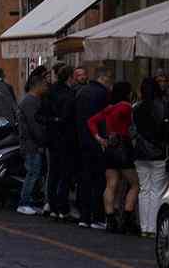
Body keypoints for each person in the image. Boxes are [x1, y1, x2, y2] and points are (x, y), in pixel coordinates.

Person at [88, 80, 139, 234]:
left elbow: (91, 121)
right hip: (123, 146)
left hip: (110, 145)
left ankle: (110, 219)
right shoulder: (126, 107)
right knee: (135, 184)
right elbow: (131, 125)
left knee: (111, 184)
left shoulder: (109, 108)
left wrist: (99, 138)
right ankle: (128, 218)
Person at [131, 77, 169, 238]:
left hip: (140, 153)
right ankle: (153, 227)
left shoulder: (135, 107)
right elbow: (167, 131)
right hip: (159, 153)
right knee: (158, 190)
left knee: (144, 190)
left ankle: (144, 227)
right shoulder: (165, 106)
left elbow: (133, 131)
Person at [73, 68, 110, 230]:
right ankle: (97, 217)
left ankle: (84, 216)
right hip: (98, 141)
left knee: (85, 180)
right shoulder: (102, 94)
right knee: (99, 180)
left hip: (82, 141)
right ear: (104, 79)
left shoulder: (81, 92)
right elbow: (105, 120)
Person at [45, 64, 79, 221]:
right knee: (64, 175)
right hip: (66, 139)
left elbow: (40, 115)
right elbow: (71, 118)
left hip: (52, 139)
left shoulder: (49, 92)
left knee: (53, 174)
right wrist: (59, 120)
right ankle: (62, 208)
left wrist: (52, 121)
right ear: (70, 77)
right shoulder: (70, 94)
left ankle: (52, 207)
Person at [16, 70, 50, 216]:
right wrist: (42, 140)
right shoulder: (30, 101)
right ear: (37, 86)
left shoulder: (32, 100)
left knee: (34, 173)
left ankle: (27, 201)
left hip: (32, 143)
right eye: (45, 85)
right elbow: (33, 124)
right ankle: (24, 203)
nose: (47, 88)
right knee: (33, 173)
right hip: (31, 144)